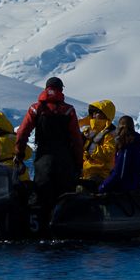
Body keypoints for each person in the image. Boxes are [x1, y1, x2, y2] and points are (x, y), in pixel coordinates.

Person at [14, 77, 84, 219]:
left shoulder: (36, 108)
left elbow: (22, 132)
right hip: (65, 159)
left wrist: (19, 154)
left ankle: (43, 230)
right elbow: (76, 140)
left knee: (43, 197)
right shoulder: (68, 110)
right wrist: (78, 163)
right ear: (61, 89)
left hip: (43, 159)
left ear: (46, 88)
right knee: (65, 198)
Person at [99, 115, 140, 193]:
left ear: (121, 127)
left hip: (126, 188)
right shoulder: (139, 143)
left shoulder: (126, 146)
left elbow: (119, 173)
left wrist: (103, 186)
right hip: (138, 187)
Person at [79, 99, 117, 187]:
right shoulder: (89, 131)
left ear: (106, 115)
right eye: (93, 112)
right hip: (85, 171)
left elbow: (108, 153)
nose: (94, 115)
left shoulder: (110, 134)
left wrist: (89, 147)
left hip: (100, 173)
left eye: (97, 112)